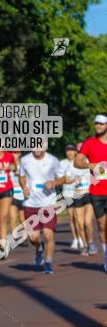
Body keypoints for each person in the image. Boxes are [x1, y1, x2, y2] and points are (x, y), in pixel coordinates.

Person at [18, 147, 64, 274]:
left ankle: (48, 262)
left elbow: (62, 178)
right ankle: (39, 248)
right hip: (30, 203)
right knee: (34, 238)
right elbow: (21, 177)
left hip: (48, 203)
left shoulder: (53, 160)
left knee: (48, 234)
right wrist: (24, 187)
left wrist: (53, 183)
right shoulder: (25, 160)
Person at [75, 114, 107, 272]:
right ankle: (106, 258)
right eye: (96, 124)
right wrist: (91, 165)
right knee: (102, 225)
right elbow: (77, 161)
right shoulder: (89, 143)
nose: (98, 126)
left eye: (101, 123)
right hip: (97, 191)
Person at [63, 145, 96, 255]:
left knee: (87, 222)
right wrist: (73, 180)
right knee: (80, 223)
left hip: (89, 194)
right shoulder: (71, 165)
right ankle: (86, 246)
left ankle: (91, 242)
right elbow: (66, 179)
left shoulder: (89, 162)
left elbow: (100, 174)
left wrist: (95, 180)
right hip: (77, 195)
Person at [59, 145, 82, 250]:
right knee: (71, 217)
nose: (70, 153)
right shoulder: (62, 163)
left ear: (76, 152)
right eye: (68, 150)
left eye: (72, 150)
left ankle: (81, 238)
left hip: (78, 193)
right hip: (67, 193)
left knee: (78, 218)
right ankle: (75, 239)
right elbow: (60, 178)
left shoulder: (80, 162)